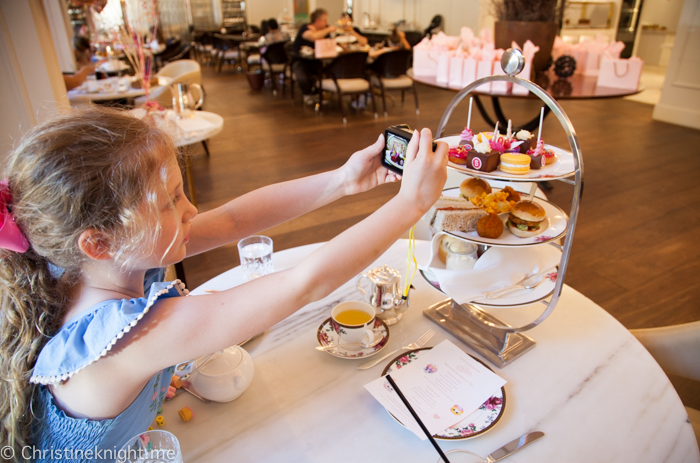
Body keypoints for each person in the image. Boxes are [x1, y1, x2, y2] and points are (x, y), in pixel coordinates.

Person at [0, 107, 448, 459]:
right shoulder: (124, 340)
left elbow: (236, 218)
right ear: (98, 241)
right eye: (172, 200)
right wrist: (410, 205)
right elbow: (302, 284)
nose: (191, 209)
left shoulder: (88, 264)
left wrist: (341, 180)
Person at [292, 8, 337, 105]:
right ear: (317, 21)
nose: (327, 23)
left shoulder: (324, 30)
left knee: (330, 68)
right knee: (302, 75)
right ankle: (307, 94)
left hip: (318, 61)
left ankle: (321, 93)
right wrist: (328, 29)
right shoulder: (305, 28)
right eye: (325, 20)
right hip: (302, 61)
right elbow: (313, 37)